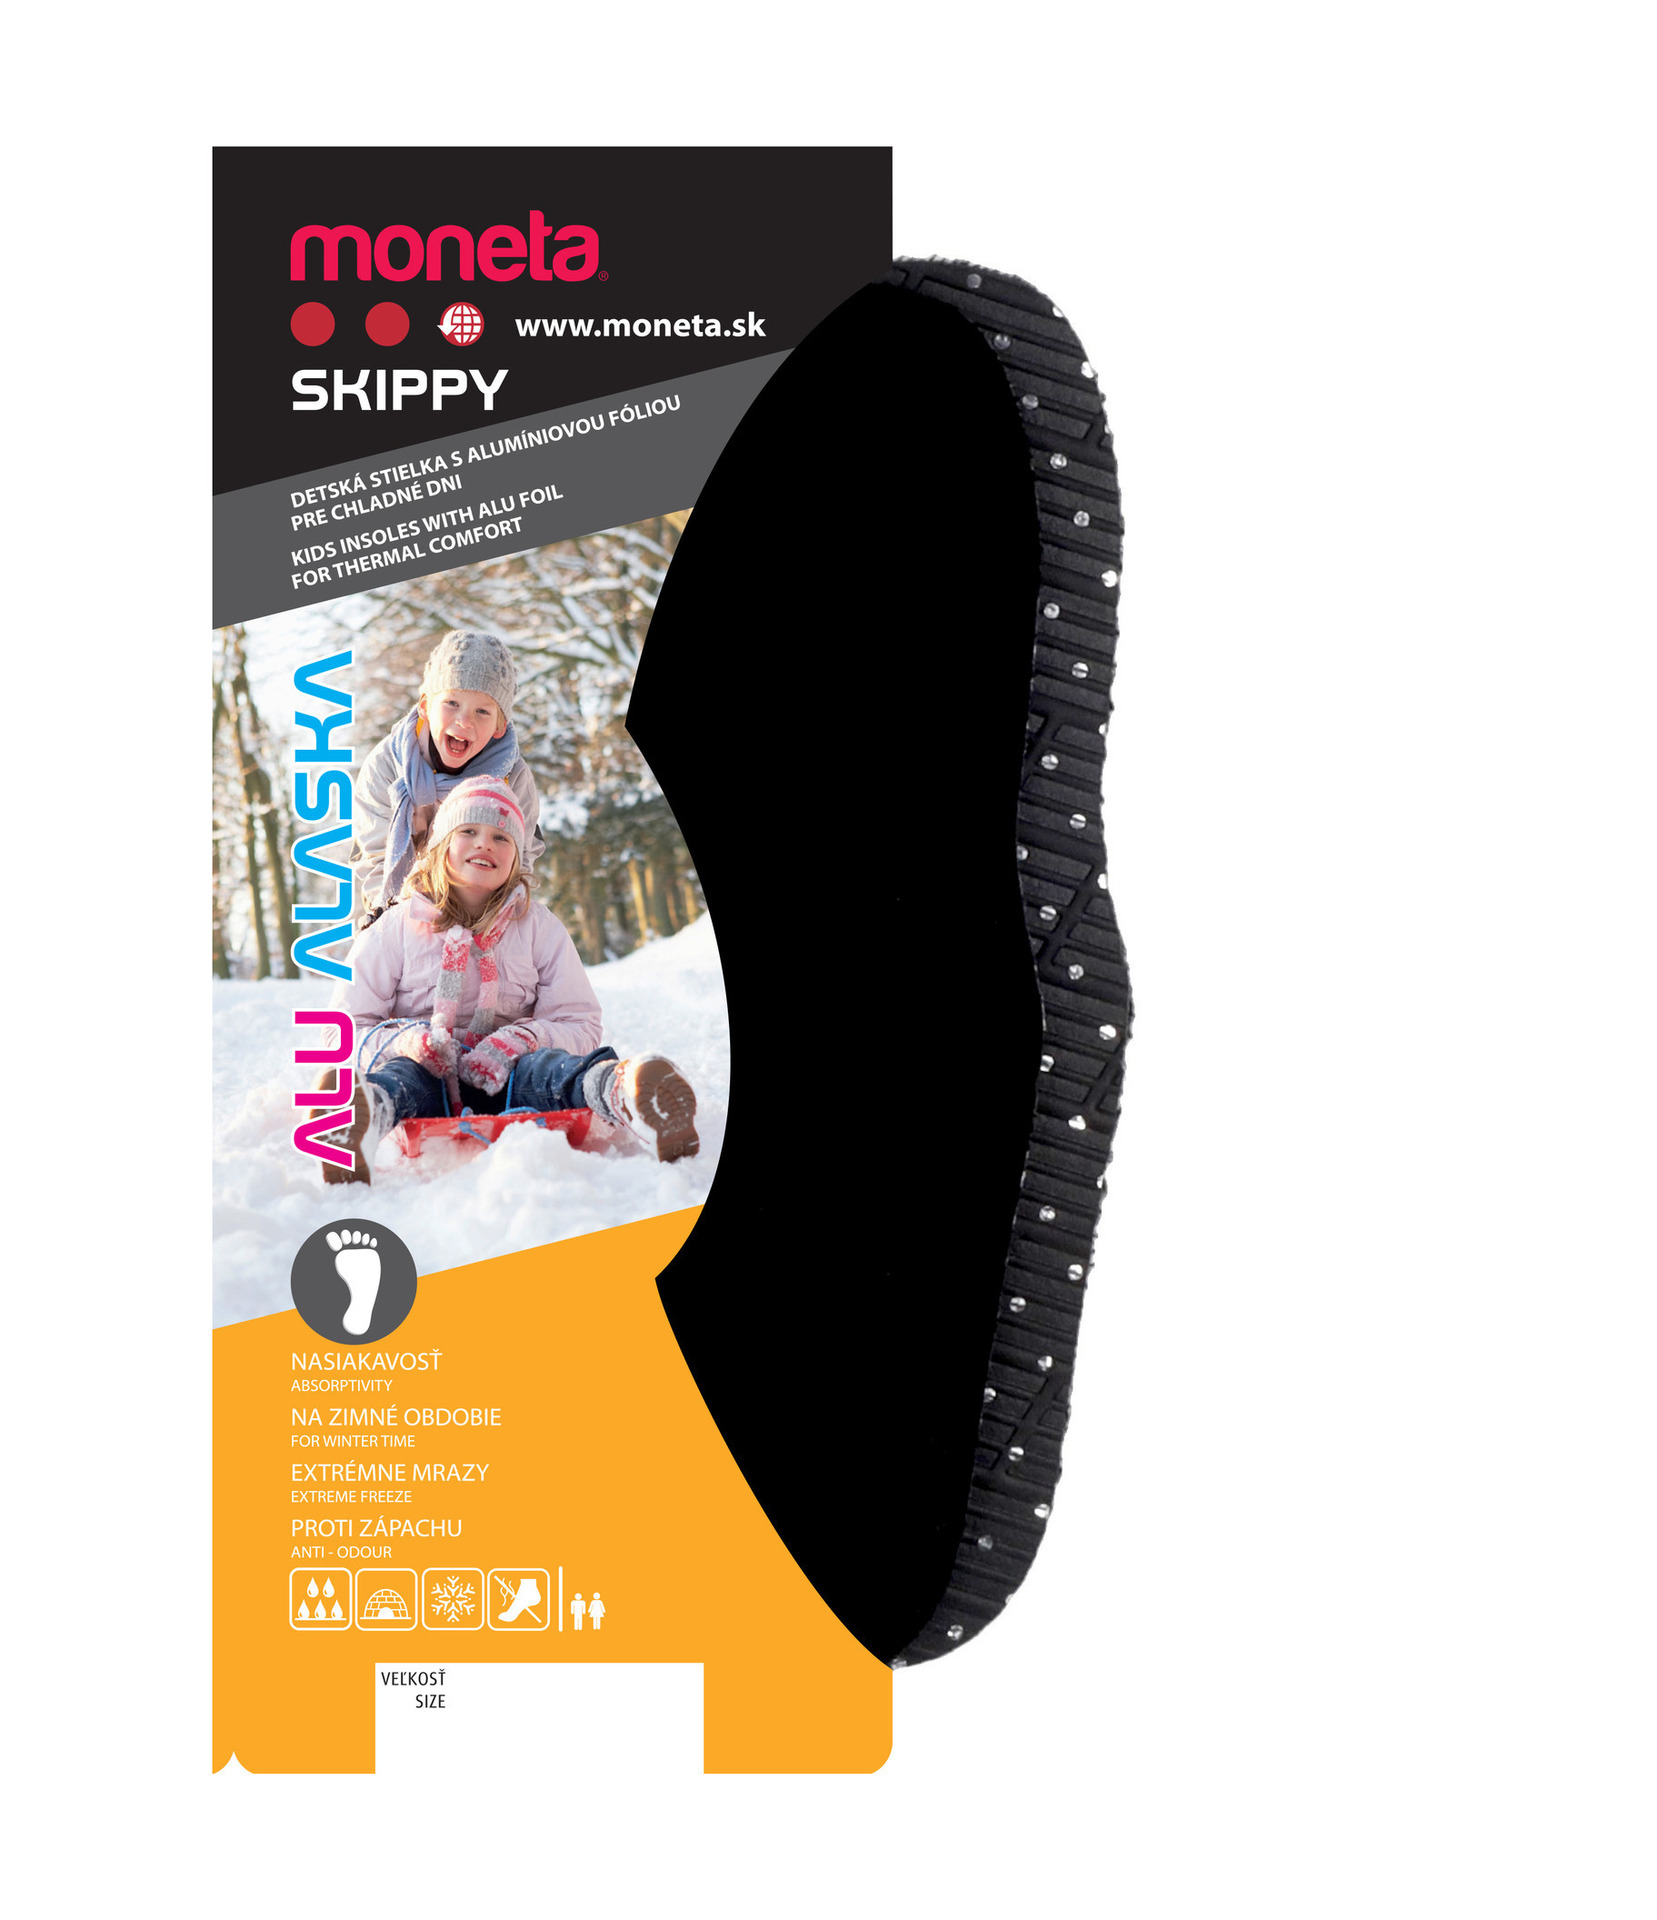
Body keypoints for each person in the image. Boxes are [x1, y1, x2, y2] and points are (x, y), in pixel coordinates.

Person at [321, 775, 698, 1183]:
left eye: (501, 837)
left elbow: (580, 1022)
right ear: (440, 844)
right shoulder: (395, 928)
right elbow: (341, 1029)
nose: (485, 843)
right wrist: (407, 1043)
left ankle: (627, 1093)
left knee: (553, 1069)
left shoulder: (539, 929)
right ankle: (362, 1116)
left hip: (516, 1075)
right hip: (428, 1079)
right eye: (468, 831)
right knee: (403, 1079)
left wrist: (524, 1039)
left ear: (517, 858)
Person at [351, 629, 545, 929]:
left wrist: (502, 920)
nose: (464, 721)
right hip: (399, 909)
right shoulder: (388, 766)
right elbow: (375, 857)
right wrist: (393, 921)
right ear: (425, 707)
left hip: (483, 914)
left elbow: (522, 857)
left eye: (482, 711)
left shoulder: (513, 778)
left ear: (500, 726)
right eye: (452, 703)